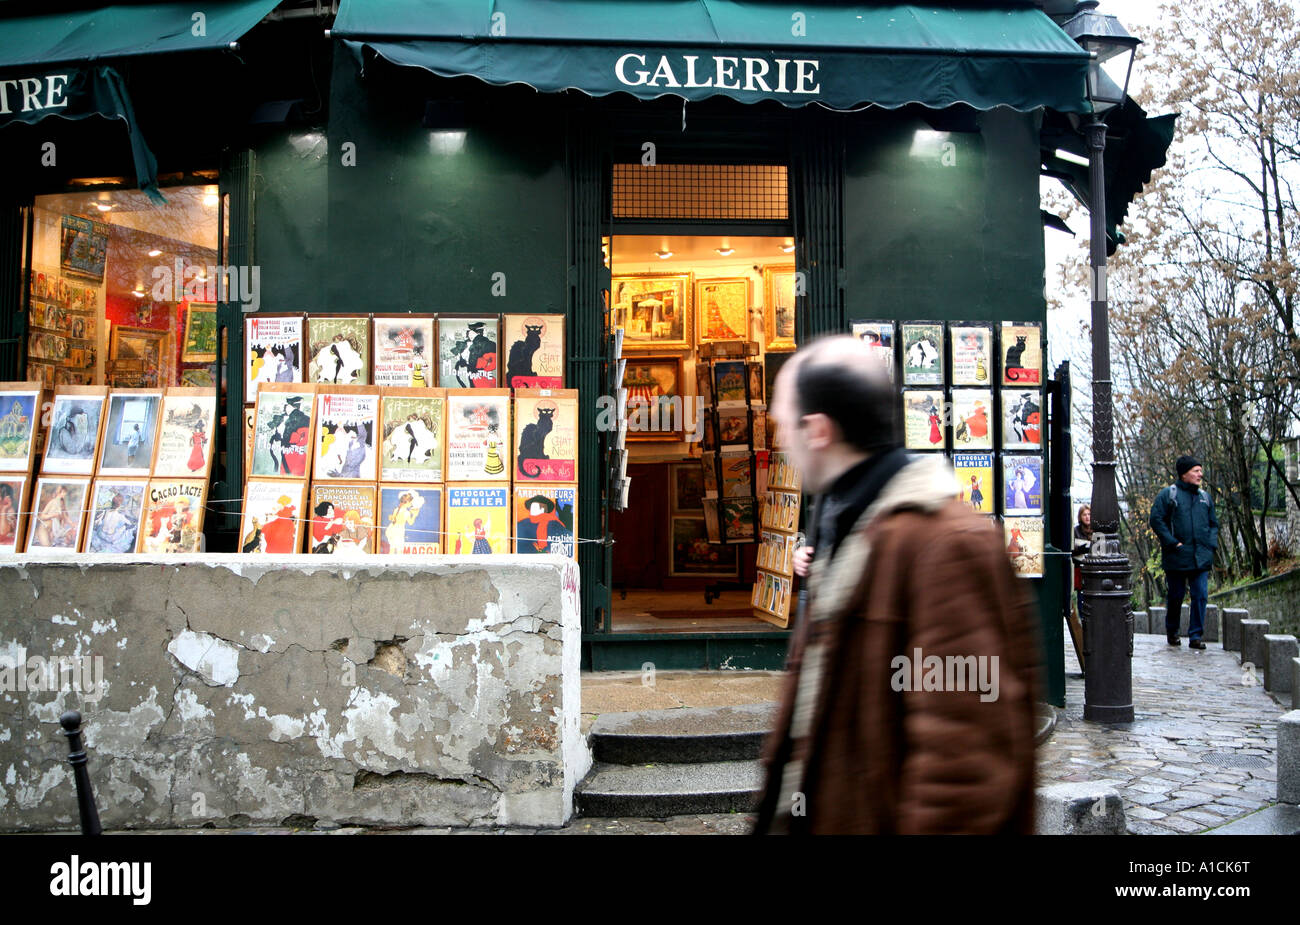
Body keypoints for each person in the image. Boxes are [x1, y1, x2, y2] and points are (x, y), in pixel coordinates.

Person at [755, 335, 1039, 834]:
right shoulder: (850, 524)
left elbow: (966, 770)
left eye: (782, 424)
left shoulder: (944, 546)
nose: (780, 440)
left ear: (818, 431)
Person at [1148, 455, 1219, 649]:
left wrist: (1210, 545)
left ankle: (1196, 636)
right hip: (1177, 556)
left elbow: (1214, 524)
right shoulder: (1168, 495)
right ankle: (1172, 631)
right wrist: (1172, 543)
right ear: (1184, 473)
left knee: (1201, 595)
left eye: (1200, 470)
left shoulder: (1205, 497)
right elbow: (1156, 520)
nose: (1200, 474)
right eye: (1196, 471)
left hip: (1201, 557)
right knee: (1176, 596)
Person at [1071, 505, 1092, 617]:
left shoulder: (1096, 530)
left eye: (1089, 514)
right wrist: (1080, 549)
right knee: (1081, 595)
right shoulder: (1076, 531)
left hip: (1093, 567)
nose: (1087, 517)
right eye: (1084, 515)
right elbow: (1071, 550)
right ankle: (1082, 618)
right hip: (1080, 567)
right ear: (1080, 517)